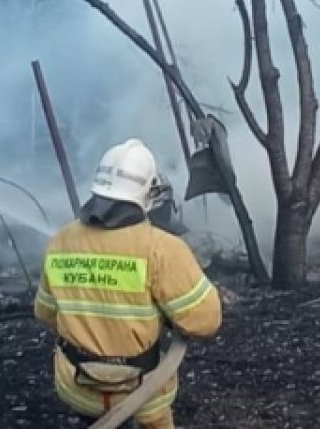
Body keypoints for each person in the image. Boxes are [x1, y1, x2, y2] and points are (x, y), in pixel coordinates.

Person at [34, 139, 222, 429]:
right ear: (148, 193)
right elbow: (205, 321)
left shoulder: (61, 241)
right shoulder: (162, 248)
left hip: (79, 388)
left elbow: (45, 313)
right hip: (144, 391)